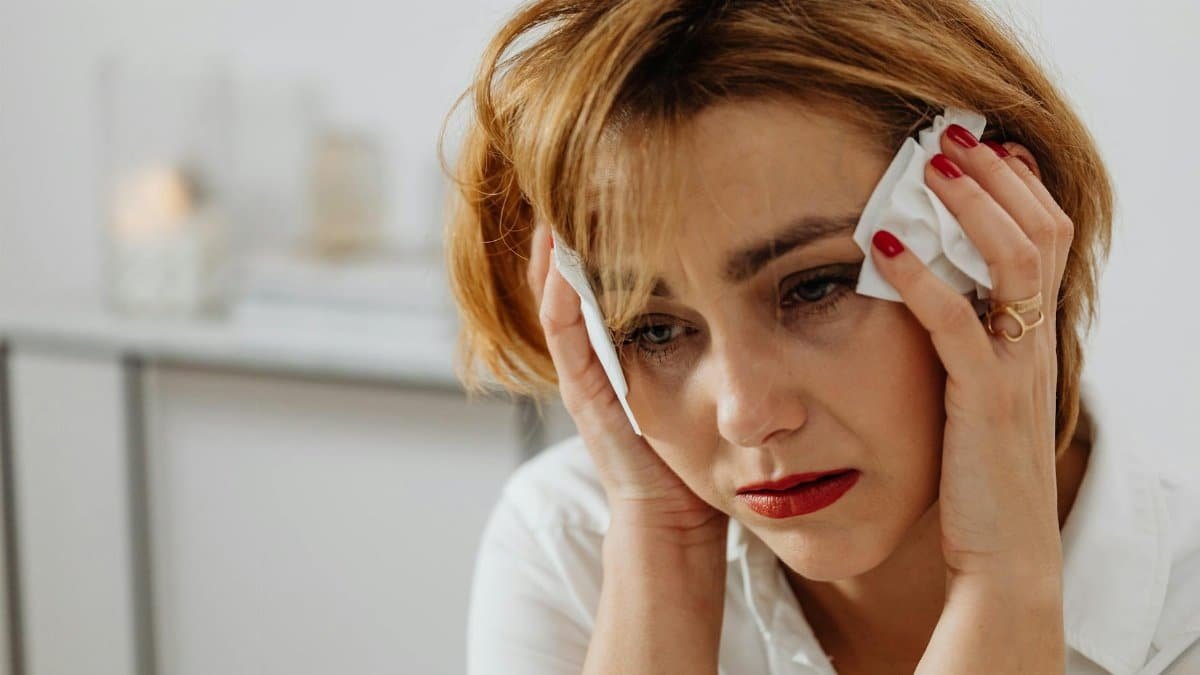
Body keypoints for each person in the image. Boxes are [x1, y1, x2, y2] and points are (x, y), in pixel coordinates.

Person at [443, 1, 1200, 672]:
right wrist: (662, 550)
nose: (745, 414)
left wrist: (1007, 584)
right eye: (654, 328)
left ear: (989, 232)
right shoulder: (570, 542)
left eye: (813, 288)